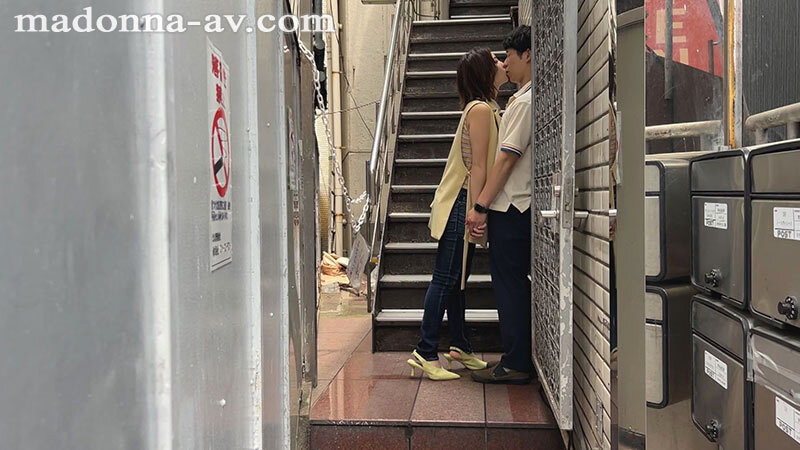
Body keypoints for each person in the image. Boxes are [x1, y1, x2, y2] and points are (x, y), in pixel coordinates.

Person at [407, 48, 508, 380]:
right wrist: (479, 210)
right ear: (484, 73)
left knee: (457, 279)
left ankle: (460, 345)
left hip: (464, 202)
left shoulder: (486, 108)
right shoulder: (480, 110)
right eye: (495, 61)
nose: (502, 63)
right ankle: (425, 351)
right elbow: (478, 166)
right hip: (462, 203)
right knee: (446, 277)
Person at [466, 26, 534, 384]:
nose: (505, 64)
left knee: (509, 286)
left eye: (508, 56)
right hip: (517, 207)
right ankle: (517, 357)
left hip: (512, 208)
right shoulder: (523, 98)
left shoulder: (524, 102)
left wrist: (480, 205)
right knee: (513, 285)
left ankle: (515, 362)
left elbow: (506, 159)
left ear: (527, 55)